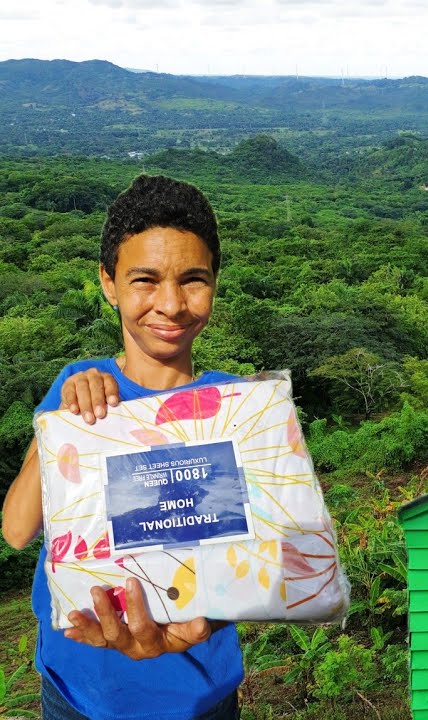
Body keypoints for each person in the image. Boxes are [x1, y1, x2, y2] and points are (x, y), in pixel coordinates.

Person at [2, 175, 244, 719]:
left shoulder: (235, 406)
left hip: (198, 694)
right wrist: (65, 427)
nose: (171, 304)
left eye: (193, 280)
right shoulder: (76, 391)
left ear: (215, 284)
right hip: (78, 691)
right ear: (108, 284)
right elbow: (17, 531)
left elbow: (268, 560)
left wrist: (212, 617)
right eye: (144, 280)